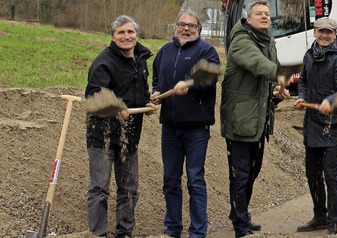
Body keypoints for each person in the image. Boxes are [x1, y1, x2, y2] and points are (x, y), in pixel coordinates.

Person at [219, 1, 288, 237]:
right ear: (249, 18)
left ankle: (240, 213)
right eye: (259, 13)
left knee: (253, 170)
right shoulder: (240, 40)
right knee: (240, 174)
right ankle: (240, 226)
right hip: (241, 119)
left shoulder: (268, 40)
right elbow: (257, 64)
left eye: (267, 14)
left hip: (259, 120)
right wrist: (277, 74)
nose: (265, 17)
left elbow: (269, 74)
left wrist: (278, 90)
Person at [85, 15, 157, 238]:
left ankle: (124, 233)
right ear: (113, 37)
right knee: (100, 189)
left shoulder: (140, 59)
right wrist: (115, 107)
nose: (127, 36)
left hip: (130, 137)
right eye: (121, 33)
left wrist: (147, 101)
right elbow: (93, 96)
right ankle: (98, 234)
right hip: (103, 137)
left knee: (129, 190)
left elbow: (137, 90)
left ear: (137, 34)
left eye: (130, 32)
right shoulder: (103, 62)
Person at [150, 10, 220, 238]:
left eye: (191, 26)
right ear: (176, 27)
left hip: (196, 128)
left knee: (194, 179)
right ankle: (172, 229)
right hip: (169, 127)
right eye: (182, 24)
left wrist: (190, 83)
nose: (186, 29)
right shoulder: (164, 52)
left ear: (198, 30)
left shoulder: (206, 51)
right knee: (170, 179)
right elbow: (156, 78)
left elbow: (210, 77)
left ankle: (198, 232)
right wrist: (156, 91)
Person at [292, 17, 337, 235]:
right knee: (312, 173)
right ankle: (320, 216)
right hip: (313, 124)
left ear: (335, 35)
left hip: (333, 125)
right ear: (315, 32)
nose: (324, 36)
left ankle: (334, 221)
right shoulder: (309, 56)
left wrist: (330, 101)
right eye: (321, 32)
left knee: (332, 175)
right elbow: (304, 82)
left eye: (329, 32)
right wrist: (301, 97)